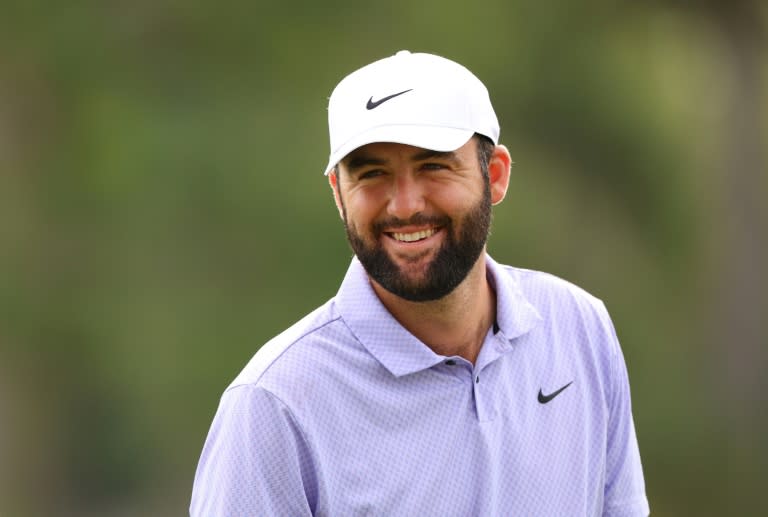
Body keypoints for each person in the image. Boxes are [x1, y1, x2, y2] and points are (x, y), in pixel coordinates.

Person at [190, 50, 649, 516]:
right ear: (338, 194)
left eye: (434, 166)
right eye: (372, 174)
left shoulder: (578, 328)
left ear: (495, 176)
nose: (405, 205)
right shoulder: (276, 405)